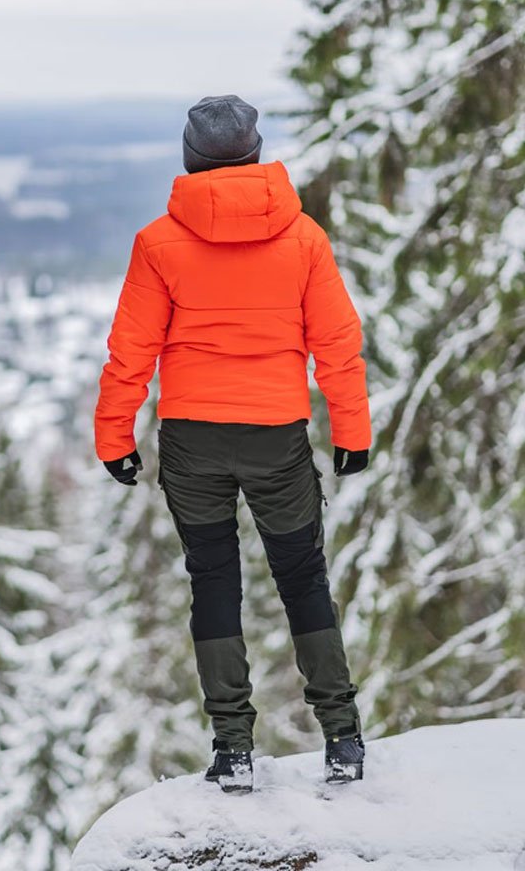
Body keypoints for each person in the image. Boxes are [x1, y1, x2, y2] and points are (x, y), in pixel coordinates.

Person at [94, 95, 371, 794]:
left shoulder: (159, 243)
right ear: (254, 154)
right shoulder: (303, 238)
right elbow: (336, 345)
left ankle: (234, 749)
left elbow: (131, 352)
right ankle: (342, 739)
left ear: (191, 160)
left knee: (214, 581)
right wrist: (352, 431)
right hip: (277, 437)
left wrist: (113, 437)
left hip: (192, 440)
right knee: (303, 578)